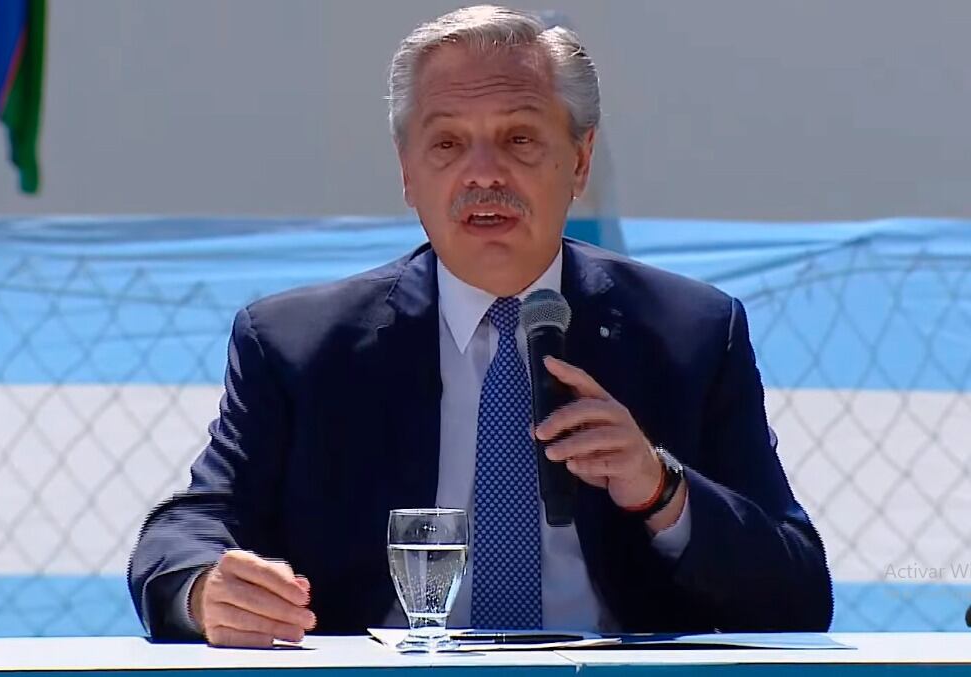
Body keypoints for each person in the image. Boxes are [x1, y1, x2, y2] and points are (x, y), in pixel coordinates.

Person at [129, 5, 833, 647]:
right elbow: (184, 531)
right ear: (408, 172)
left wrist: (661, 489)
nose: (483, 174)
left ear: (579, 161)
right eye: (447, 144)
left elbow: (798, 594)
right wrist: (205, 591)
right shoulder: (299, 348)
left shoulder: (690, 335)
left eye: (519, 139)